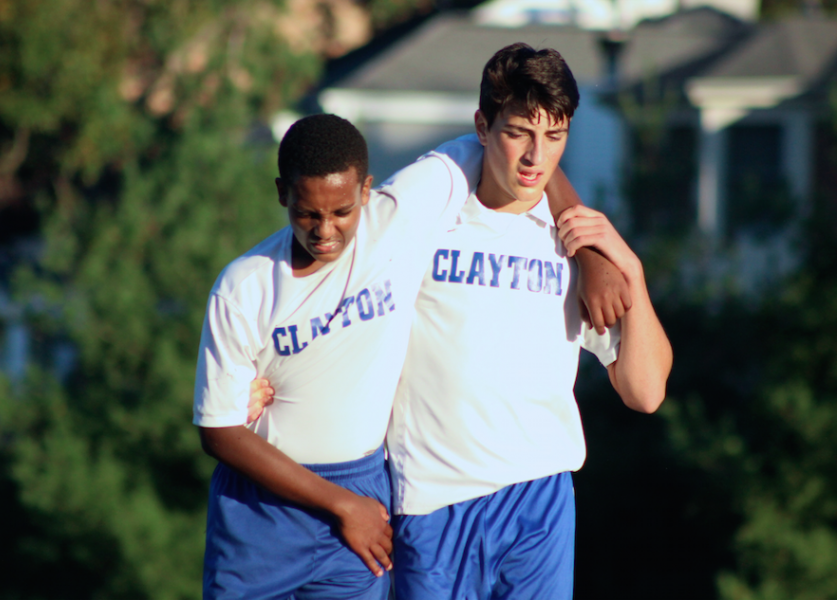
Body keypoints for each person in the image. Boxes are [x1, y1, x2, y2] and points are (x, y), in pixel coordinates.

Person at [195, 113, 625, 597]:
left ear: (366, 192)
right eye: (306, 213)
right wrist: (341, 504)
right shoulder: (244, 286)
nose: (324, 231)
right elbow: (218, 431)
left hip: (361, 497)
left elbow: (527, 156)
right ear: (283, 194)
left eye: (341, 211)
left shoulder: (397, 223)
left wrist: (589, 253)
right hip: (262, 513)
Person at [386, 44, 674, 599]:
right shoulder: (435, 199)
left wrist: (630, 271)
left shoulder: (577, 238)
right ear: (483, 126)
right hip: (433, 502)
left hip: (537, 502)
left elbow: (646, 392)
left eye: (554, 137)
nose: (535, 157)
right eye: (519, 132)